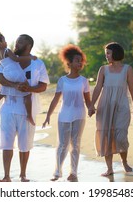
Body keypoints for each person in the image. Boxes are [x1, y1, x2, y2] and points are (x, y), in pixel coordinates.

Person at [0, 33, 49, 182]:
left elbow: (43, 86)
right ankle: (6, 176)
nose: (16, 45)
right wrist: (13, 85)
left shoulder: (38, 63)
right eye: (16, 42)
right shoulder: (9, 60)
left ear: (28, 46)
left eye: (19, 43)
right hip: (8, 108)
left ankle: (23, 175)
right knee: (6, 143)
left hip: (28, 110)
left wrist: (29, 89)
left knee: (25, 145)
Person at [88, 42, 133, 177]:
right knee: (106, 136)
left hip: (121, 105)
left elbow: (132, 89)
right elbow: (98, 87)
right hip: (105, 106)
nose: (107, 56)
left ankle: (124, 161)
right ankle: (109, 168)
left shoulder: (127, 69)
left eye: (108, 53)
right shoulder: (103, 69)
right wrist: (91, 104)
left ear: (116, 53)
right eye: (106, 54)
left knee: (121, 135)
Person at [42, 45, 91, 182]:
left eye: (81, 60)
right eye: (77, 60)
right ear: (69, 63)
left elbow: (88, 101)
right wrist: (47, 116)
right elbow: (55, 99)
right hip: (64, 115)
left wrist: (92, 109)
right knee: (63, 144)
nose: (80, 63)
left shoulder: (84, 81)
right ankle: (57, 172)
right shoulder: (62, 81)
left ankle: (73, 173)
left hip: (79, 115)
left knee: (75, 144)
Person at [0, 27, 36, 125]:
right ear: (0, 43)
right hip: (15, 72)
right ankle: (29, 115)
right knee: (28, 93)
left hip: (6, 73)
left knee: (1, 93)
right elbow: (16, 60)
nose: (6, 42)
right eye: (4, 40)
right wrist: (29, 57)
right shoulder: (7, 50)